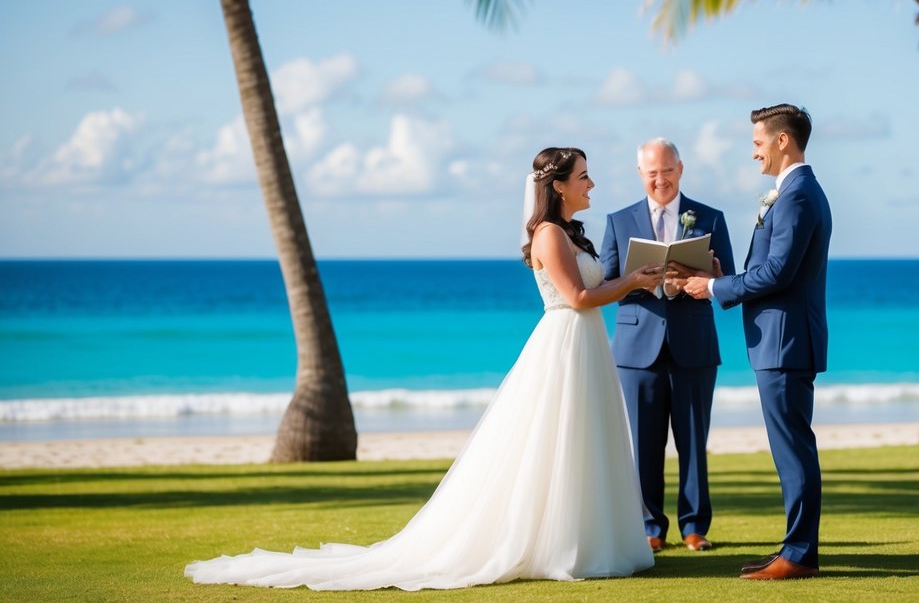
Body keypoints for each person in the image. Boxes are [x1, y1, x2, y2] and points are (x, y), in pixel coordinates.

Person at [185, 147, 662, 591]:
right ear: (558, 186)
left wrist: (637, 279)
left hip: (585, 345)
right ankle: (558, 545)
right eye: (583, 177)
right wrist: (631, 283)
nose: (591, 184)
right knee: (555, 442)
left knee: (583, 441)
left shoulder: (572, 233)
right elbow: (578, 298)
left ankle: (589, 538)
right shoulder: (549, 234)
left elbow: (591, 291)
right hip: (564, 346)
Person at [676, 104, 831, 581]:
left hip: (785, 342)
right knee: (789, 446)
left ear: (783, 141)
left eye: (758, 142)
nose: (753, 152)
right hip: (778, 341)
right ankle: (794, 547)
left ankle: (800, 554)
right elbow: (772, 268)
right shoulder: (791, 193)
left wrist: (717, 288)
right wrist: (728, 276)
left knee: (793, 448)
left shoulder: (799, 195)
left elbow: (780, 272)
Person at [600, 139, 734, 553]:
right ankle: (650, 528)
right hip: (636, 347)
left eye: (668, 171)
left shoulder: (710, 217)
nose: (661, 180)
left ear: (681, 168)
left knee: (694, 440)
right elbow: (605, 284)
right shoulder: (619, 221)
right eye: (652, 172)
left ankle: (694, 527)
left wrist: (697, 281)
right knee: (644, 443)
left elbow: (726, 279)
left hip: (693, 343)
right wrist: (638, 281)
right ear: (641, 174)